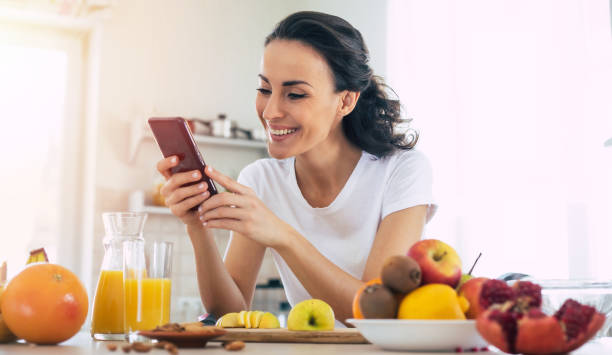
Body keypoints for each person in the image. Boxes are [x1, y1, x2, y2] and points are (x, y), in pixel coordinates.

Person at [156, 11, 436, 325]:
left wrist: (284, 237)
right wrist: (197, 225)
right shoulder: (261, 179)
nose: (271, 111)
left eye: (295, 94)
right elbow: (228, 313)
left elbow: (376, 313)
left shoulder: (402, 172)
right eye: (264, 90)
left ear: (345, 101)